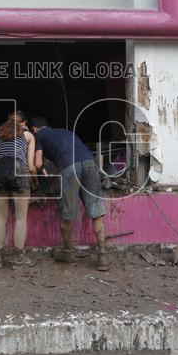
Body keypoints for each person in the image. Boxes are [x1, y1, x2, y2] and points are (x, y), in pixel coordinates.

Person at [29, 116, 109, 271]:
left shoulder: (37, 136)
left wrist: (40, 176)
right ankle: (103, 256)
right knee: (96, 213)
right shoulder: (65, 132)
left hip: (69, 168)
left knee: (66, 215)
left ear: (33, 129)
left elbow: (38, 163)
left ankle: (68, 252)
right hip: (90, 164)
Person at [0, 111, 37, 269]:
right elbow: (31, 166)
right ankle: (19, 258)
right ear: (23, 123)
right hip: (18, 172)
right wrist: (35, 180)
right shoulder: (28, 135)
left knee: (1, 217)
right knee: (20, 218)